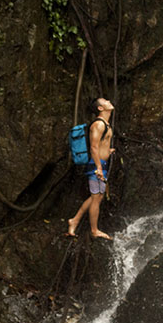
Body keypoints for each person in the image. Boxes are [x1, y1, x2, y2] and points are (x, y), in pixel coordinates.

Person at [66, 97, 115, 240]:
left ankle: (74, 220)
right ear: (100, 108)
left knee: (97, 195)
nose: (108, 101)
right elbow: (93, 147)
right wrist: (98, 168)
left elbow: (100, 145)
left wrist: (107, 151)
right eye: (105, 101)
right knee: (96, 198)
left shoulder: (106, 124)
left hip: (101, 164)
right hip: (96, 165)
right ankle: (94, 230)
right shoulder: (98, 125)